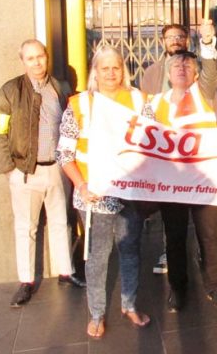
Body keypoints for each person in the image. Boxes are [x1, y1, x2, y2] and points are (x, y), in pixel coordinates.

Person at [57, 45, 151, 339]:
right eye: (105, 68)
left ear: (124, 69)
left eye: (116, 67)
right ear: (95, 72)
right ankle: (97, 313)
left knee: (130, 250)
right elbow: (65, 153)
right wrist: (82, 186)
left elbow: (154, 142)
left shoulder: (138, 99)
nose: (111, 73)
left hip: (130, 193)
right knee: (97, 257)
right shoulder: (80, 104)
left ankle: (129, 304)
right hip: (93, 195)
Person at [0, 39, 85, 308]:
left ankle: (66, 272)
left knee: (60, 222)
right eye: (30, 58)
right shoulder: (9, 91)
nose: (37, 62)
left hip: (57, 169)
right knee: (26, 227)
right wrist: (8, 169)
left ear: (46, 57)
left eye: (40, 56)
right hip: (24, 171)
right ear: (23, 61)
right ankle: (26, 281)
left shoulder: (60, 87)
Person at [149, 21, 217, 311]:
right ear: (168, 74)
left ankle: (214, 285)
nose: (181, 69)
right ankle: (178, 289)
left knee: (208, 236)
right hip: (172, 183)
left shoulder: (205, 92)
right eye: (176, 67)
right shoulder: (156, 103)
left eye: (187, 66)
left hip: (204, 179)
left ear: (195, 73)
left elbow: (209, 64)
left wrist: (207, 41)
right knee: (176, 237)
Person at [141, 24, 190, 275]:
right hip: (165, 148)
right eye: (170, 38)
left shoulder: (197, 67)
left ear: (187, 40)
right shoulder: (151, 73)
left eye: (179, 37)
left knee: (200, 200)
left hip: (195, 146)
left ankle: (205, 250)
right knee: (168, 203)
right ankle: (166, 250)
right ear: (162, 42)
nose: (175, 41)